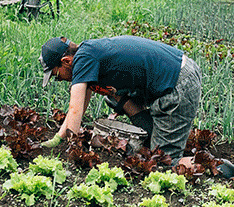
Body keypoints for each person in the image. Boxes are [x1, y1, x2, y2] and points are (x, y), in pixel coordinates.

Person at [39, 35, 202, 161]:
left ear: (66, 61)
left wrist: (73, 149)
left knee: (165, 162)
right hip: (173, 73)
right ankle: (152, 133)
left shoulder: (83, 59)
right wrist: (58, 138)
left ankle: (208, 165)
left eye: (56, 75)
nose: (59, 80)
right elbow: (80, 107)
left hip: (177, 81)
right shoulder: (87, 52)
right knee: (112, 96)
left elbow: (74, 109)